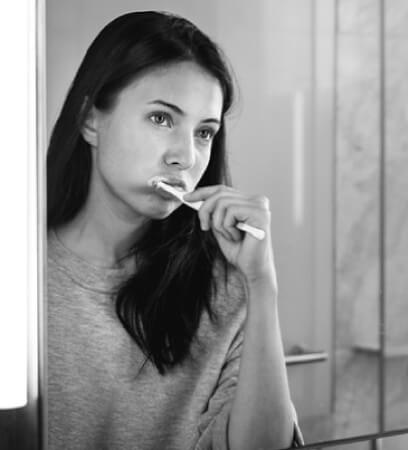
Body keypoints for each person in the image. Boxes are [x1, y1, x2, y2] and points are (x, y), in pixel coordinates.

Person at [46, 11, 302, 449]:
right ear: (90, 119)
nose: (185, 156)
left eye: (204, 132)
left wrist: (262, 286)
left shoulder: (225, 287)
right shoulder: (19, 279)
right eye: (162, 119)